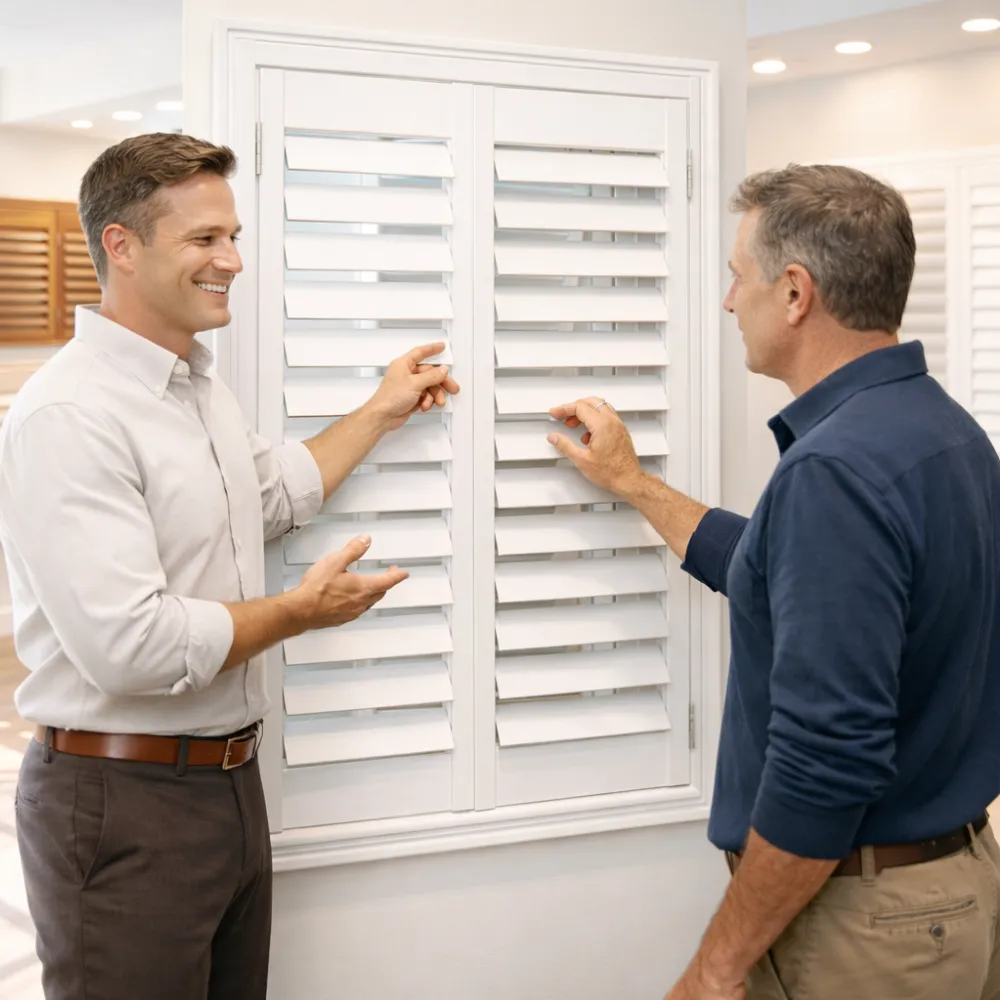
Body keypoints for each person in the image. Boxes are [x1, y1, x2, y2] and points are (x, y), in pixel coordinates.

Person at [0, 132, 459, 1000]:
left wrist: (381, 409)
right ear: (122, 246)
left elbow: (273, 492)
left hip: (227, 789)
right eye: (206, 239)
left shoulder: (197, 387)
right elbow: (130, 646)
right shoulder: (67, 416)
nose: (233, 260)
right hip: (120, 800)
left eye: (234, 236)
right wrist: (300, 610)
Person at [548, 164, 1000, 1000]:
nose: (728, 302)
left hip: (871, 929)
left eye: (736, 276)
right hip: (952, 890)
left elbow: (826, 762)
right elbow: (777, 568)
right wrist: (635, 483)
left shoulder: (835, 470)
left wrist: (714, 971)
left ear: (795, 293)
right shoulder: (943, 433)